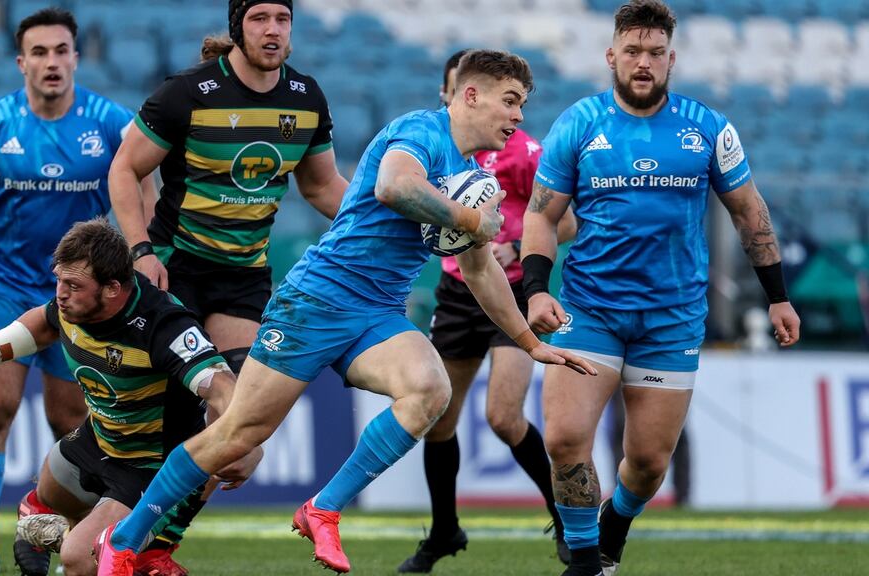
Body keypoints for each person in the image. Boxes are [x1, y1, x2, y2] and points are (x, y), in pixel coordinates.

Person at [94, 48, 597, 576]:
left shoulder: (471, 177)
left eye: (523, 105)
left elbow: (480, 271)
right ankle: (123, 541)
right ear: (471, 95)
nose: (519, 116)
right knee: (236, 435)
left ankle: (323, 508)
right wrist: (471, 221)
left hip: (378, 312)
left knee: (430, 390)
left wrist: (530, 343)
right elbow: (394, 187)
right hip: (316, 300)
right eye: (511, 101)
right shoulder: (421, 131)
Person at [519, 2, 801, 575]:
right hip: (590, 310)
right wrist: (537, 290)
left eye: (654, 52)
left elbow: (749, 212)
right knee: (565, 439)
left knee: (647, 462)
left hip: (671, 318)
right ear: (612, 56)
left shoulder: (709, 128)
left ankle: (615, 526)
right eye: (632, 51)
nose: (643, 62)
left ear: (672, 59)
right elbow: (541, 216)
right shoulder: (579, 123)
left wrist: (777, 295)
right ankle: (584, 560)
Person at [107, 2, 348, 569]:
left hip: (243, 279)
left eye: (283, 18)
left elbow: (321, 187)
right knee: (171, 424)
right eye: (260, 18)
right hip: (176, 270)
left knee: (238, 431)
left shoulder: (306, 98)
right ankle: (75, 509)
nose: (273, 30)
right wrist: (140, 251)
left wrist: (385, 222)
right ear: (239, 26)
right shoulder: (186, 94)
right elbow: (125, 168)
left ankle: (156, 547)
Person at [0, 8, 149, 574]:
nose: (52, 62)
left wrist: (145, 247)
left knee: (70, 423)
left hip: (80, 300)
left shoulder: (110, 122)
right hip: (7, 287)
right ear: (21, 62)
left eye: (61, 50)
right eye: (40, 52)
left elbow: (146, 177)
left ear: (77, 57)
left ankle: (70, 536)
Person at [0, 218, 262, 576]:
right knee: (48, 491)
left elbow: (222, 387)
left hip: (147, 468)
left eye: (73, 285)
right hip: (96, 440)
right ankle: (49, 520)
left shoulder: (164, 325)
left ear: (113, 289)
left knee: (78, 560)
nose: (61, 293)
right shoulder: (74, 305)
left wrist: (248, 442)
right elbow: (41, 323)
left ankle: (118, 546)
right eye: (59, 280)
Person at [397, 49, 578, 574]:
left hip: (512, 293)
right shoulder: (435, 149)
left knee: (502, 415)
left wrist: (516, 247)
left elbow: (566, 221)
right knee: (437, 420)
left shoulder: (523, 152)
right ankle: (444, 530)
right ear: (448, 94)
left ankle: (564, 517)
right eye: (449, 87)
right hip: (457, 293)